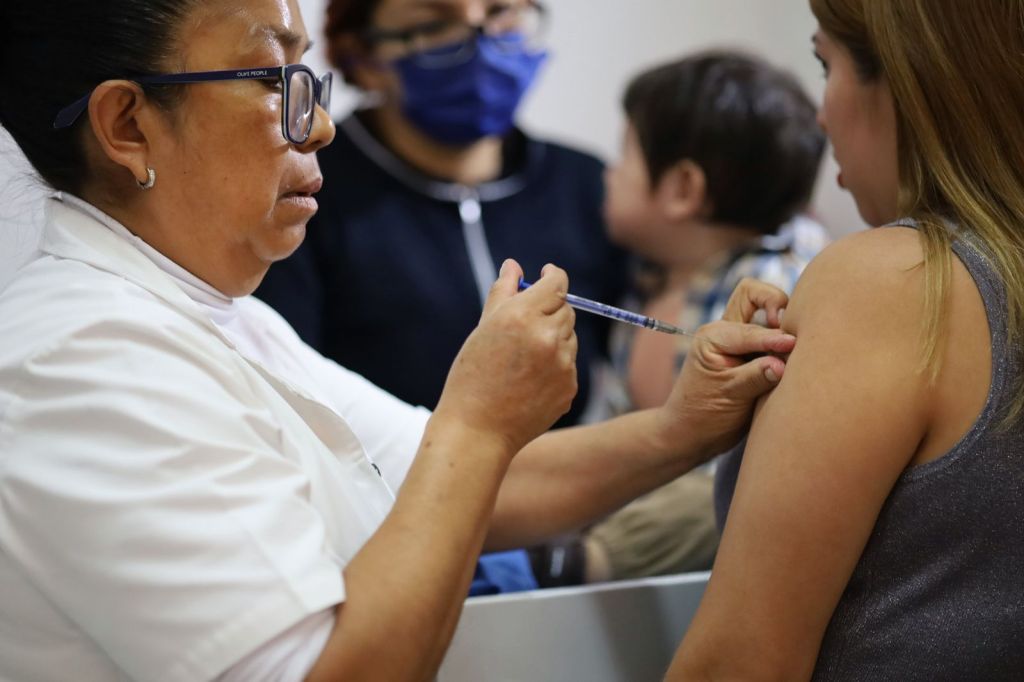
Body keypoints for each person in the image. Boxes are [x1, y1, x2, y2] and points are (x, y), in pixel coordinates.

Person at [0, 1, 796, 680]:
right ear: (128, 125)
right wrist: (478, 423)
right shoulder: (79, 363)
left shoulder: (226, 316)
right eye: (273, 81)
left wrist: (683, 425)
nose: (318, 125)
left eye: (307, 80)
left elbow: (443, 480)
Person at [667, 0, 1024, 679]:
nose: (821, 115)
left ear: (908, 78)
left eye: (823, 63)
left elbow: (739, 665)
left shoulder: (892, 283)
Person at [255, 0, 628, 593]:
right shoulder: (307, 197)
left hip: (581, 528)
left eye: (501, 13)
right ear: (362, 56)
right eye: (434, 25)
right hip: (389, 540)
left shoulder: (589, 185)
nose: (480, 44)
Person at [578, 51, 829, 582]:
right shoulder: (645, 277)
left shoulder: (773, 284)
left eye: (625, 156)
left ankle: (571, 564)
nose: (608, 174)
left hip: (726, 517)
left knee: (716, 500)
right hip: (644, 499)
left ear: (683, 190)